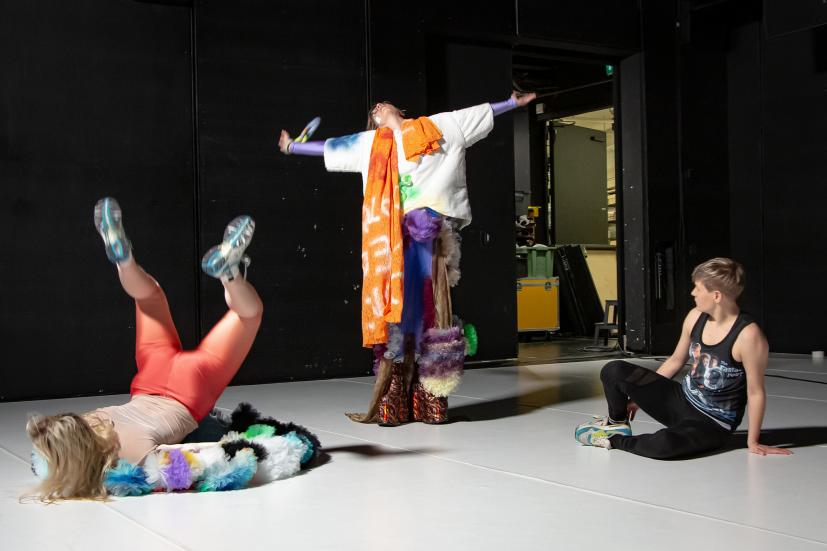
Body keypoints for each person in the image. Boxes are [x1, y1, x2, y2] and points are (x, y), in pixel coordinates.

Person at [278, 90, 536, 425]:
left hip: (427, 238)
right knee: (397, 316)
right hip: (390, 241)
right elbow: (332, 148)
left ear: (400, 108)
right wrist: (293, 147)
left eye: (382, 104)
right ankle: (394, 396)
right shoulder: (370, 144)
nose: (378, 107)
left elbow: (478, 113)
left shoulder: (440, 128)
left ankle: (430, 397)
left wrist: (512, 104)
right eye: (373, 110)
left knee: (430, 314)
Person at [26, 198, 263, 501]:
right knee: (149, 298)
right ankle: (125, 262)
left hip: (189, 393)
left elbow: (194, 458)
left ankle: (230, 274)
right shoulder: (85, 421)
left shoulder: (135, 454)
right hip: (151, 374)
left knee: (248, 316)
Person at [575, 257, 793, 459]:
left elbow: (755, 392)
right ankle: (616, 423)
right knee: (614, 370)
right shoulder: (695, 317)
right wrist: (640, 399)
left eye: (698, 288)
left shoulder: (748, 336)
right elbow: (675, 361)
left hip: (713, 423)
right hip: (681, 400)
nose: (693, 293)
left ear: (716, 296)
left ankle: (614, 440)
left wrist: (752, 441)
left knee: (664, 444)